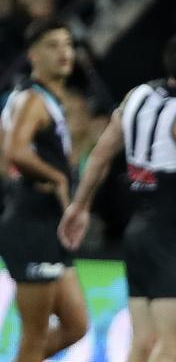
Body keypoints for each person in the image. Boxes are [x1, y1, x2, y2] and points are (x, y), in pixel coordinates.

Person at [57, 26, 176, 362]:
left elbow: (101, 156)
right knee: (174, 342)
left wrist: (79, 206)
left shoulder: (138, 96)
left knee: (143, 341)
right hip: (174, 236)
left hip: (137, 231)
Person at [0, 19, 88, 362]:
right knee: (35, 336)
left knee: (76, 325)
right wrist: (59, 179)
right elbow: (15, 151)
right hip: (30, 223)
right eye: (53, 45)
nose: (65, 52)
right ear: (33, 54)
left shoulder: (44, 98)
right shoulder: (33, 99)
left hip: (46, 225)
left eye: (67, 44)